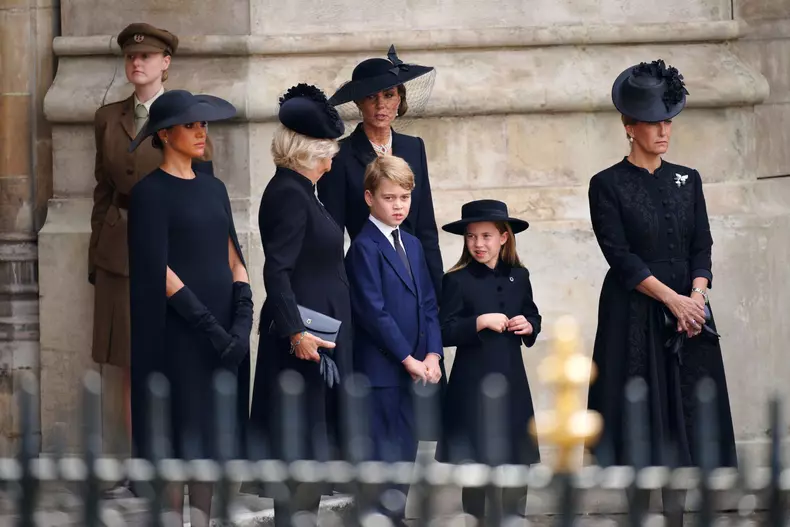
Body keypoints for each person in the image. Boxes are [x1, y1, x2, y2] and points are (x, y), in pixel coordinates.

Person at [586, 59, 737, 526]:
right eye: (653, 122)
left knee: (686, 420)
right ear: (630, 127)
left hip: (689, 314)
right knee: (639, 416)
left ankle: (678, 520)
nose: (663, 131)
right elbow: (621, 256)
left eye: (667, 121)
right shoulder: (606, 184)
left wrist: (695, 295)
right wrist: (671, 300)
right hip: (634, 312)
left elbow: (701, 245)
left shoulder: (688, 179)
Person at [88, 23, 213, 477]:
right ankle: (139, 464)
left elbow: (204, 184)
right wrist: (94, 255)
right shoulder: (107, 116)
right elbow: (102, 190)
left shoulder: (184, 114)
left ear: (166, 63)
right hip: (120, 251)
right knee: (126, 359)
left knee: (173, 354)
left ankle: (175, 457)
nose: (136, 63)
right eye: (130, 58)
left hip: (173, 250)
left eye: (146, 57)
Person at [127, 90, 252, 526]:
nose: (201, 132)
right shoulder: (149, 194)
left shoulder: (214, 187)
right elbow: (156, 270)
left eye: (204, 125)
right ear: (164, 134)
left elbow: (234, 255)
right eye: (191, 125)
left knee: (209, 442)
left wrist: (241, 318)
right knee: (176, 439)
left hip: (219, 336)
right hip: (177, 338)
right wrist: (209, 327)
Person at [319, 43, 448, 412]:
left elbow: (426, 227)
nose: (380, 105)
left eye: (388, 94)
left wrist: (437, 294)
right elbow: (332, 232)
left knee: (419, 408)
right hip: (371, 281)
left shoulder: (413, 146)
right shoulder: (341, 156)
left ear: (400, 98)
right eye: (371, 97)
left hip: (414, 278)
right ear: (358, 104)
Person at [248, 84, 350, 527]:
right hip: (301, 344)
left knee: (310, 454)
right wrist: (296, 333)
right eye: (324, 154)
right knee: (297, 454)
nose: (331, 162)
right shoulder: (289, 193)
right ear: (304, 154)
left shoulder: (303, 189)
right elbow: (277, 271)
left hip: (317, 340)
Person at [344, 155, 443, 522]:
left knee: (404, 462)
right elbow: (373, 312)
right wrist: (408, 358)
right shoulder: (363, 247)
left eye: (404, 197)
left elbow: (429, 304)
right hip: (382, 374)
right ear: (370, 198)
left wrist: (433, 354)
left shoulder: (413, 245)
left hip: (415, 370)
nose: (398, 205)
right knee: (380, 464)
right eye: (389, 198)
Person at [436, 200, 541, 521]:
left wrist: (529, 325)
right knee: (477, 468)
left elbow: (532, 313)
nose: (478, 244)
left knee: (516, 464)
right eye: (471, 237)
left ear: (504, 237)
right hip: (472, 385)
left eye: (486, 236)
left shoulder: (519, 276)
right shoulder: (456, 279)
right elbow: (443, 330)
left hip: (513, 382)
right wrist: (479, 321)